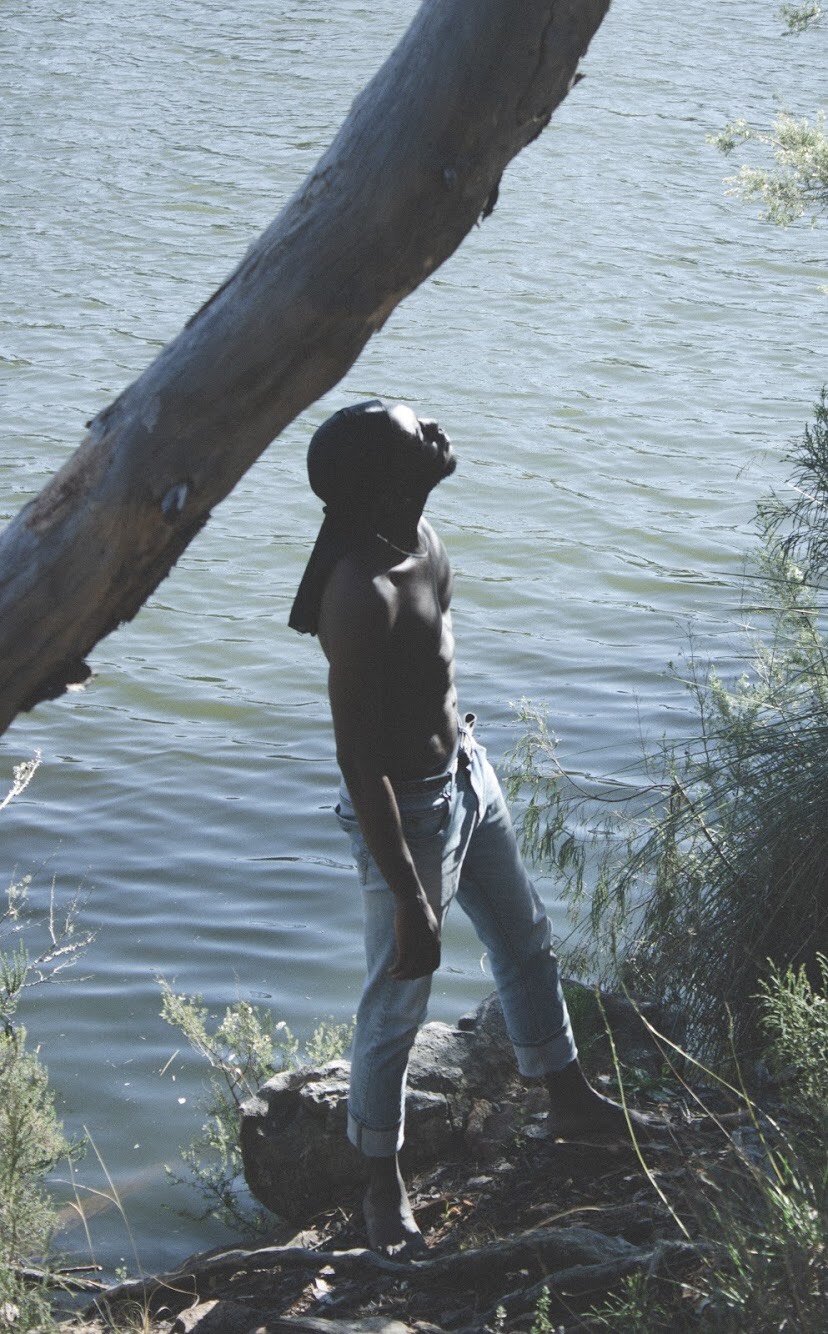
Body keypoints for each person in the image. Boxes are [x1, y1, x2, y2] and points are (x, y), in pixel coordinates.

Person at [289, 399, 654, 1258]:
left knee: (525, 937)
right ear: (385, 479)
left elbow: (435, 670)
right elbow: (359, 760)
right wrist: (414, 897)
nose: (438, 435)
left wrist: (463, 747)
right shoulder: (359, 593)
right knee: (398, 996)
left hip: (466, 773)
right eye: (420, 435)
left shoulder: (427, 539)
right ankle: (381, 1185)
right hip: (405, 811)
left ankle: (566, 1099)